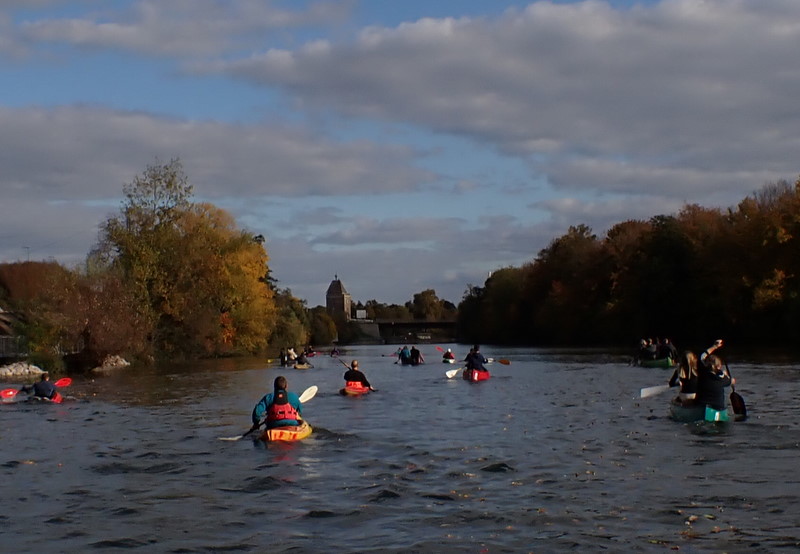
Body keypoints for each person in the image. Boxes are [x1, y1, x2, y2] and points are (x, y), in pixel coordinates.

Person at [696, 339, 733, 418]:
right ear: (719, 366)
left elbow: (702, 357)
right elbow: (731, 381)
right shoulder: (723, 379)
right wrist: (728, 377)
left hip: (701, 405)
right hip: (718, 407)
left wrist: (715, 346)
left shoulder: (702, 373)